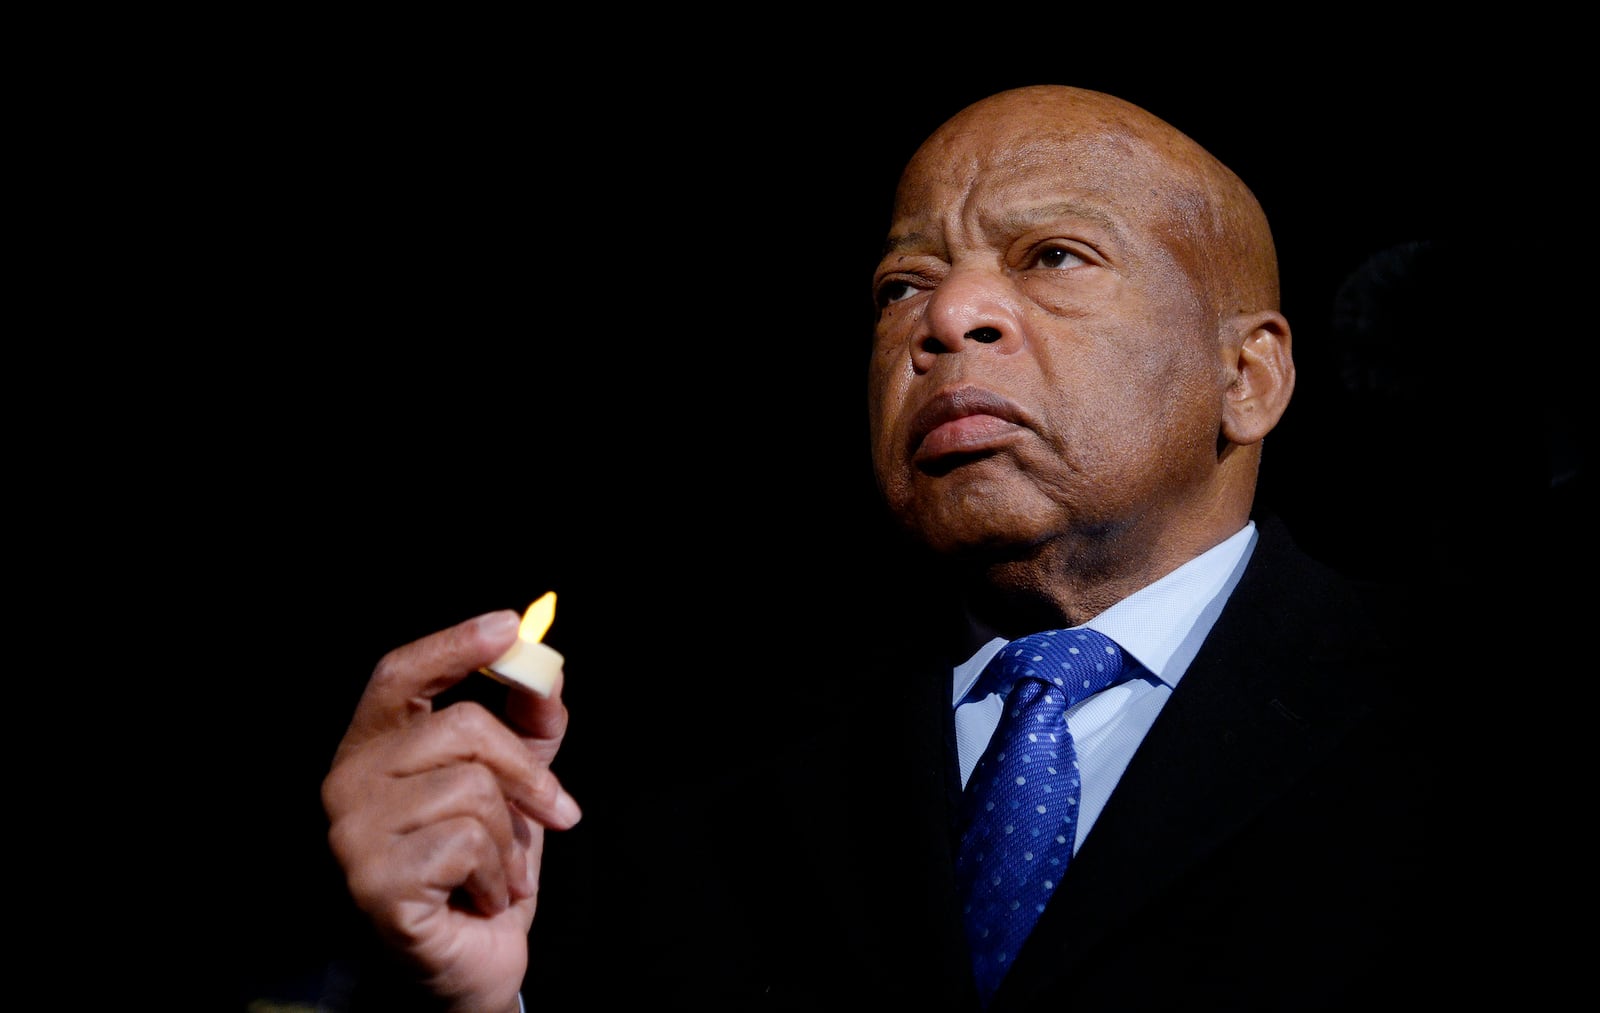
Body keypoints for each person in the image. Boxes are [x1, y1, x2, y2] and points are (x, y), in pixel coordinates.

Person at [319, 83, 1472, 1011]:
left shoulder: (1485, 716)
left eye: (1053, 256)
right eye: (900, 283)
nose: (946, 316)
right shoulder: (681, 775)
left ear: (1248, 373)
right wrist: (466, 991)